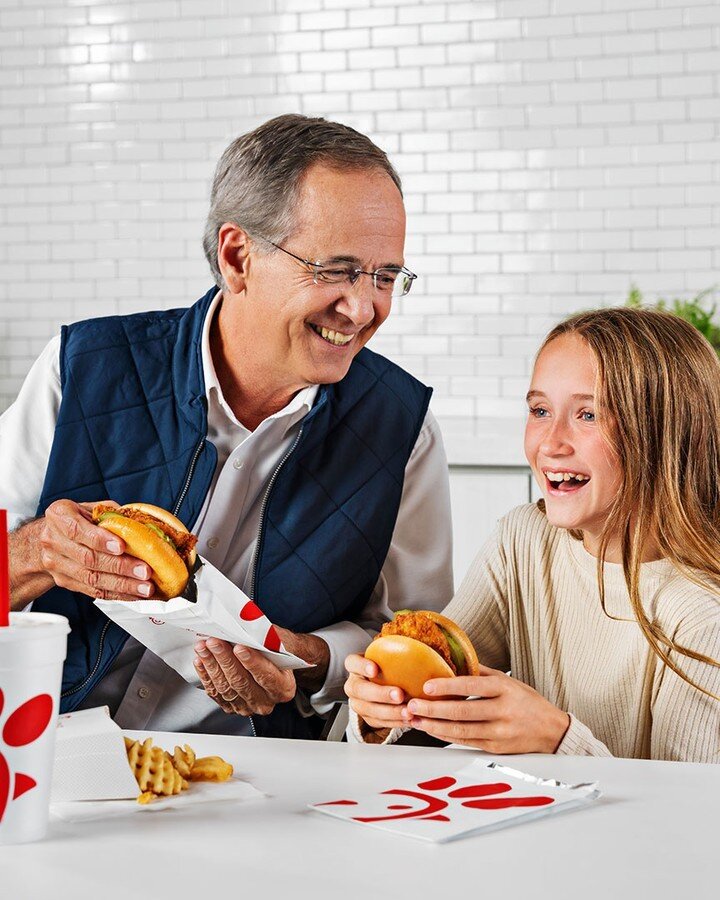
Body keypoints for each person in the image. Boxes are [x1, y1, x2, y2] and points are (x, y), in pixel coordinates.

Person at [1, 114, 453, 739]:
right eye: (336, 270)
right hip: (45, 752)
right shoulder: (81, 369)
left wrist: (306, 662)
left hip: (258, 790)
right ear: (237, 257)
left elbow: (411, 649)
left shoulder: (403, 429)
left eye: (383, 277)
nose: (364, 308)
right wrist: (37, 554)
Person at [345, 307, 720, 761]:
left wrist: (557, 739)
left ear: (666, 433)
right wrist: (377, 711)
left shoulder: (702, 616)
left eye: (589, 415)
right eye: (540, 410)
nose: (550, 443)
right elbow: (435, 692)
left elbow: (690, 817)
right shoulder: (523, 543)